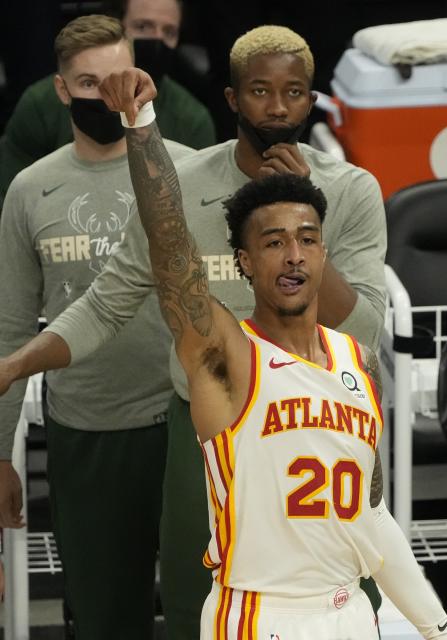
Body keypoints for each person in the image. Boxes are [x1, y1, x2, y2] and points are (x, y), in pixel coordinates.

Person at [0, 24, 387, 640]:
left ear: (311, 103)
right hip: (205, 430)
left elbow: (365, 323)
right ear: (232, 101)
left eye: (293, 93)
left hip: (322, 422)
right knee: (197, 607)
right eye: (260, 91)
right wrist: (18, 365)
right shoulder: (181, 188)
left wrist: (293, 210)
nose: (278, 107)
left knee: (335, 603)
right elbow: (107, 303)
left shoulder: (352, 189)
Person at [99, 62, 447, 639]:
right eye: (273, 242)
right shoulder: (226, 356)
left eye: (307, 240)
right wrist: (141, 126)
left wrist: (439, 629)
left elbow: (372, 515)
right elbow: (170, 248)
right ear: (244, 263)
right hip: (261, 616)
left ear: (322, 254)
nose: (293, 255)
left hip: (351, 616)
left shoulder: (358, 363)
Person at [0, 15, 194, 638]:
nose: (107, 97)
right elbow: (8, 326)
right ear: (62, 91)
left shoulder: (189, 172)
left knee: (208, 611)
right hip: (87, 430)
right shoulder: (32, 190)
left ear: (142, 81)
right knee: (106, 618)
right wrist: (0, 453)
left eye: (118, 80)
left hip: (190, 421)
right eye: (88, 83)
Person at [0, 0, 215, 205]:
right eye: (143, 26)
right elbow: (10, 196)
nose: (156, 40)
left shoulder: (191, 117)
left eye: (169, 32)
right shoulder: (40, 104)